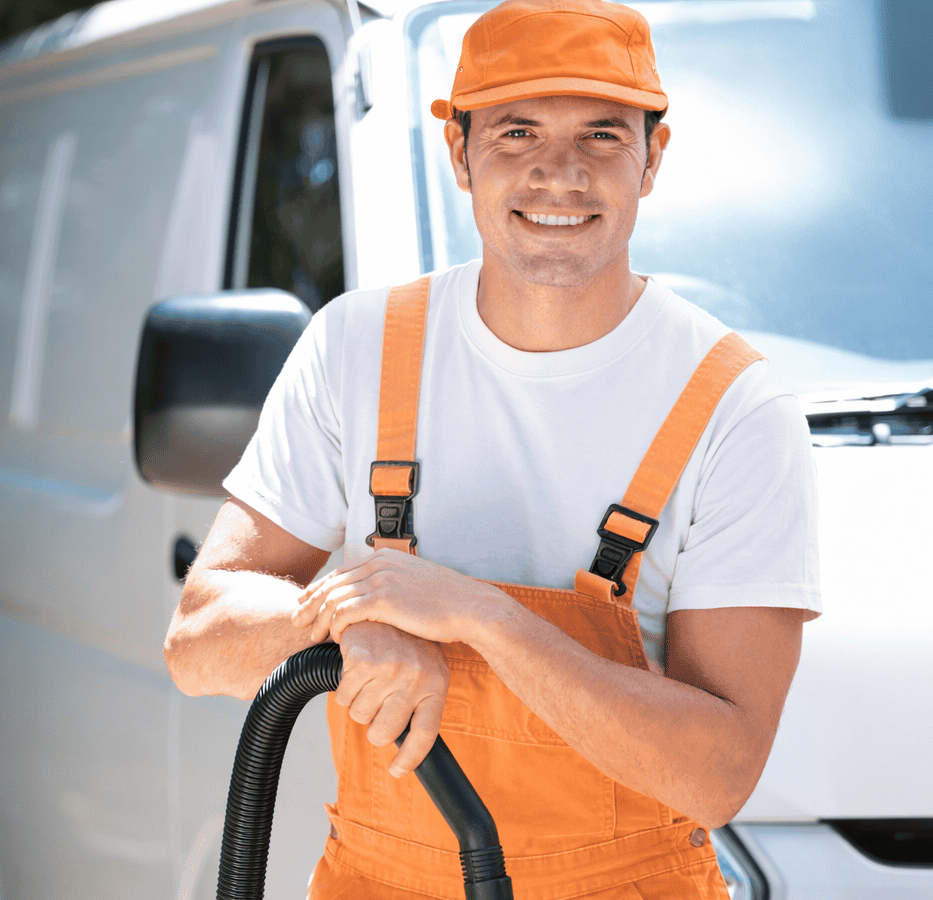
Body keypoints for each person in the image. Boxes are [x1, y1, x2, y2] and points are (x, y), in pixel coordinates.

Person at [164, 0, 821, 896]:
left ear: (652, 159)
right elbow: (198, 639)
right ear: (459, 154)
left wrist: (484, 620)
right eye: (517, 132)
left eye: (601, 135)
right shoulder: (356, 350)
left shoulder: (735, 411)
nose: (560, 173)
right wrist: (349, 624)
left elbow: (717, 776)